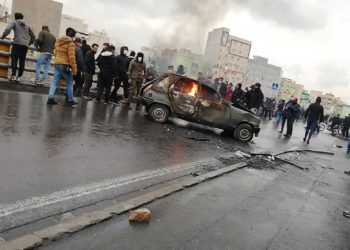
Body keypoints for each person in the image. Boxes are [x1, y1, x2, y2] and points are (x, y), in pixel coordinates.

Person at [47, 27, 77, 106]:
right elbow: (72, 57)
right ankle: (70, 100)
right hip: (65, 64)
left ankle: (50, 98)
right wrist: (74, 69)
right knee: (70, 83)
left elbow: (55, 51)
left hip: (57, 63)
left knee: (54, 81)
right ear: (73, 36)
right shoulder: (70, 43)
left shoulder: (58, 40)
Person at [1, 12, 35, 82]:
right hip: (25, 45)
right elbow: (33, 37)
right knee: (22, 61)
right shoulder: (27, 26)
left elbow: (8, 29)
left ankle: (13, 75)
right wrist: (28, 43)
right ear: (22, 18)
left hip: (17, 43)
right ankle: (19, 77)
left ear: (16, 17)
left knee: (14, 60)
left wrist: (3, 37)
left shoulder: (15, 22)